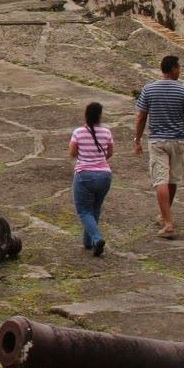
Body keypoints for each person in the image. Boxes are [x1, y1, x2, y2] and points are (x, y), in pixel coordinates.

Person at [133, 55, 184, 239]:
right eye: (178, 67)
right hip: (178, 140)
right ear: (172, 69)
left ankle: (167, 221)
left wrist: (137, 139)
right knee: (172, 180)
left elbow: (141, 116)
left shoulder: (149, 89)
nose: (179, 71)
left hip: (157, 140)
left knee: (160, 181)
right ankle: (165, 216)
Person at [69, 102, 114, 257]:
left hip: (84, 175)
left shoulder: (78, 132)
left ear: (86, 114)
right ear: (100, 116)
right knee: (95, 208)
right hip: (105, 175)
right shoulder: (106, 133)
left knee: (83, 211)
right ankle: (88, 243)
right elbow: (109, 153)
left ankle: (97, 238)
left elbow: (73, 153)